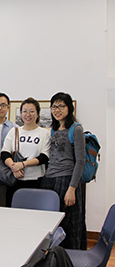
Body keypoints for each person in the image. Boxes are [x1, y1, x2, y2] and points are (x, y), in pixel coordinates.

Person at [41, 92, 87, 249]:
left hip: (67, 180)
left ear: (69, 108)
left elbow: (80, 161)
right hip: (50, 179)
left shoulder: (76, 129)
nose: (57, 110)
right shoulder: (53, 129)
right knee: (52, 224)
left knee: (70, 225)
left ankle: (72, 259)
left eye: (61, 106)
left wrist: (72, 188)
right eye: (54, 106)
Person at [1, 97, 50, 207]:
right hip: (14, 179)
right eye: (24, 111)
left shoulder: (44, 133)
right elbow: (5, 153)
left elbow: (44, 157)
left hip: (36, 180)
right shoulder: (14, 131)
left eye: (32, 111)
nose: (28, 115)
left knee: (34, 213)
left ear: (37, 114)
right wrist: (14, 167)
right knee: (14, 213)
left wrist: (22, 165)